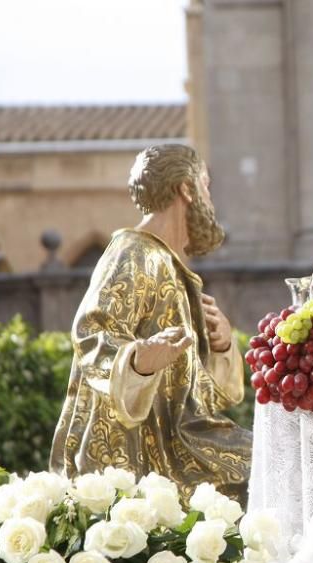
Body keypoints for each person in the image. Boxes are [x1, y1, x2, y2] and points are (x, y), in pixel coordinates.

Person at [50, 144, 251, 503]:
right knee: (268, 473)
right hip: (149, 450)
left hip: (181, 436)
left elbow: (200, 394)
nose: (210, 198)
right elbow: (93, 333)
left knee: (271, 466)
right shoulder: (135, 252)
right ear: (186, 190)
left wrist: (220, 346)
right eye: (205, 186)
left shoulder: (168, 264)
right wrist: (140, 361)